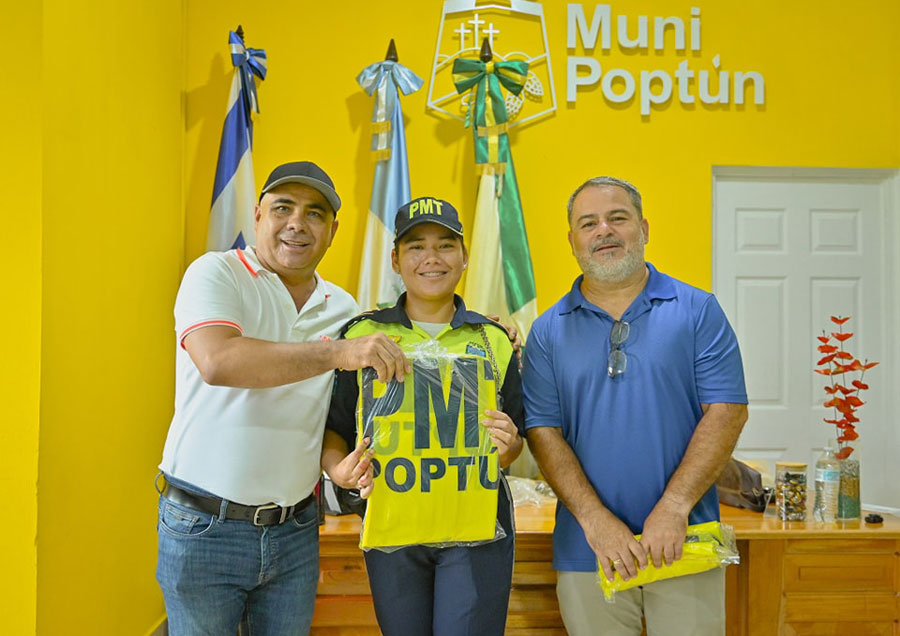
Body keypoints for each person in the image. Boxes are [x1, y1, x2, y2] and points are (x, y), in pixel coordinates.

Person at [156, 161, 405, 635]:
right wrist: (337, 352)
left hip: (295, 532)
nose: (297, 223)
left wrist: (482, 336)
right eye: (283, 208)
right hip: (204, 526)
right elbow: (218, 361)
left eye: (314, 213)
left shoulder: (343, 308)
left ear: (332, 232)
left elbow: (332, 413)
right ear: (257, 216)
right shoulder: (215, 273)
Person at [522, 176, 748, 636]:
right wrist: (595, 521)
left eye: (617, 218)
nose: (603, 230)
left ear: (643, 228)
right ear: (572, 240)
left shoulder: (698, 310)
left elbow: (727, 411)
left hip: (686, 539)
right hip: (589, 548)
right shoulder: (546, 331)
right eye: (588, 223)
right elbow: (543, 431)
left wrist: (674, 507)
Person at [321, 196, 525, 636]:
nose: (432, 258)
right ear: (396, 260)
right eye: (416, 246)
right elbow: (334, 428)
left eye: (445, 245)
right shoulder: (361, 335)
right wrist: (339, 470)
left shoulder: (494, 340)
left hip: (475, 528)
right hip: (394, 526)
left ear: (465, 257)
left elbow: (517, 435)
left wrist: (510, 448)